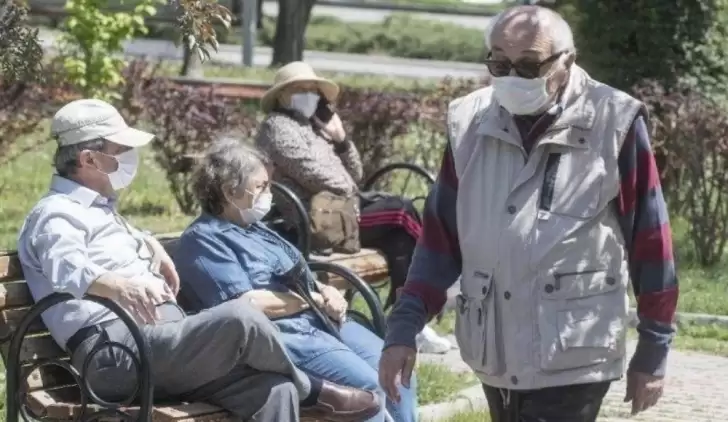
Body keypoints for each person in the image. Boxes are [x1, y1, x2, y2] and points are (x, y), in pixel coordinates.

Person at [378, 6, 679, 422]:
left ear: (567, 61)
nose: (511, 76)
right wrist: (404, 327)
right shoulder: (468, 122)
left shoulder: (615, 121)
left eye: (527, 65)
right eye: (499, 63)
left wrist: (654, 346)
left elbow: (651, 243)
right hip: (494, 349)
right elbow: (439, 242)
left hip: (573, 350)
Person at [16, 99, 381, 422]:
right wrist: (116, 284)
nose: (130, 156)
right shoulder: (55, 214)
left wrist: (147, 242)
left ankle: (297, 388)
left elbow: (109, 247)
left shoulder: (103, 212)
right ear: (88, 158)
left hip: (164, 346)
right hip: (116, 354)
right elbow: (65, 266)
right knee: (240, 317)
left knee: (273, 390)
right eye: (121, 148)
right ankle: (315, 391)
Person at [173, 139, 419, 422]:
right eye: (261, 186)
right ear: (230, 191)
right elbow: (245, 305)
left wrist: (327, 291)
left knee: (396, 369)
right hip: (282, 338)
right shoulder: (203, 239)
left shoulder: (255, 229)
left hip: (321, 322)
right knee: (367, 388)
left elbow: (300, 272)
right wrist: (310, 300)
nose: (269, 194)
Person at [254, 61, 452, 355]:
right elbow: (314, 174)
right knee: (400, 210)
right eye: (301, 90)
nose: (310, 96)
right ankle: (438, 282)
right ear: (283, 95)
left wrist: (342, 139)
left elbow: (355, 173)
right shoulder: (276, 128)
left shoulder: (314, 126)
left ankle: (409, 324)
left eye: (314, 90)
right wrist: (351, 191)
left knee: (399, 238)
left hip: (340, 212)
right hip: (313, 219)